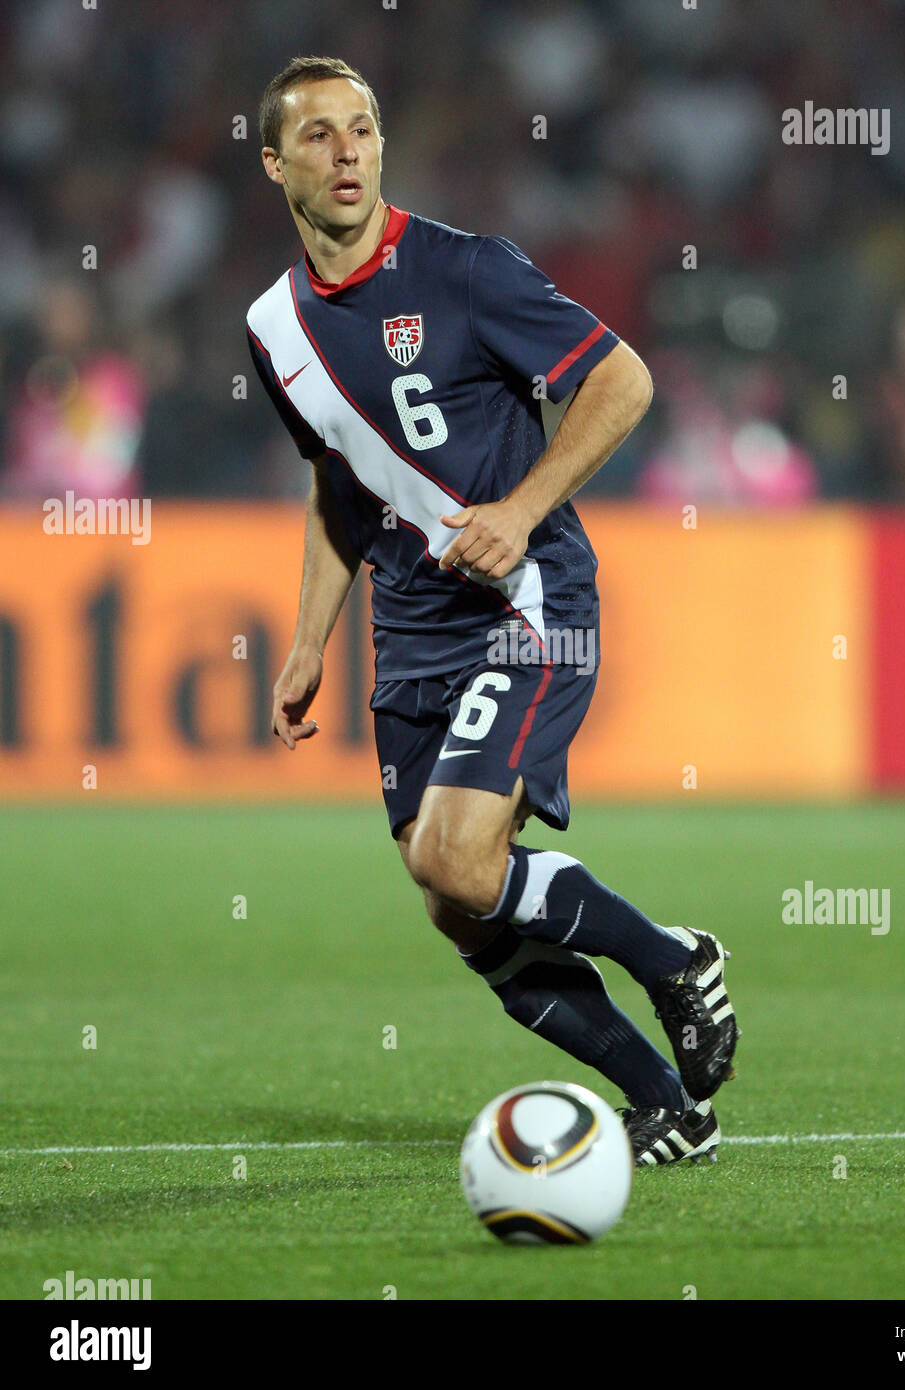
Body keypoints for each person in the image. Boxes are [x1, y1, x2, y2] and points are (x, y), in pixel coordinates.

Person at [246, 56, 738, 1165]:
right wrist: (307, 639)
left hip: (528, 598)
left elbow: (620, 380)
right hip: (410, 632)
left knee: (458, 860)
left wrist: (519, 509)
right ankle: (668, 1104)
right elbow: (337, 482)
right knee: (457, 907)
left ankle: (670, 957)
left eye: (362, 129)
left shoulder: (465, 271)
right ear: (275, 163)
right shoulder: (272, 328)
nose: (348, 153)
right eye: (318, 136)